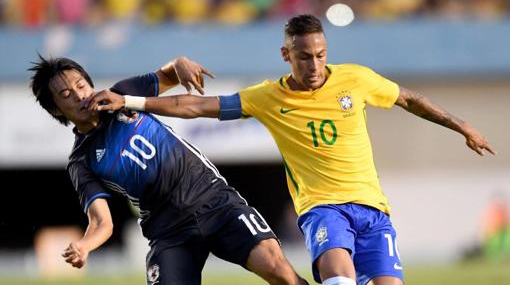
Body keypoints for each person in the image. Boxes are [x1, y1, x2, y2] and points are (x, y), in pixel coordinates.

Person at [87, 14, 496, 285]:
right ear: (287, 55)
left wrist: (461, 125)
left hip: (374, 210)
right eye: (304, 57)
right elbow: (196, 106)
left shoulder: (356, 79)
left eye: (320, 55)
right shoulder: (268, 97)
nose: (315, 65)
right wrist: (131, 101)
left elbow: (408, 99)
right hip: (323, 209)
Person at [28, 55, 309, 285]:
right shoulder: (81, 162)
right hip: (169, 232)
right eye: (67, 94)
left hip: (215, 203)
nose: (79, 95)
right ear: (55, 110)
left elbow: (170, 73)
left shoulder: (122, 94)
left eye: (81, 85)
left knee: (279, 271)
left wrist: (181, 64)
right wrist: (85, 245)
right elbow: (102, 222)